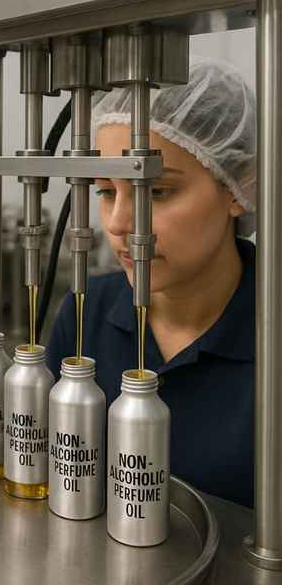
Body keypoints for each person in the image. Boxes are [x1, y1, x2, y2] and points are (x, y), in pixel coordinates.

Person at [46, 57, 256, 507]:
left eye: (156, 191)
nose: (119, 223)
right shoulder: (86, 312)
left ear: (238, 187)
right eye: (107, 191)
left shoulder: (268, 335)